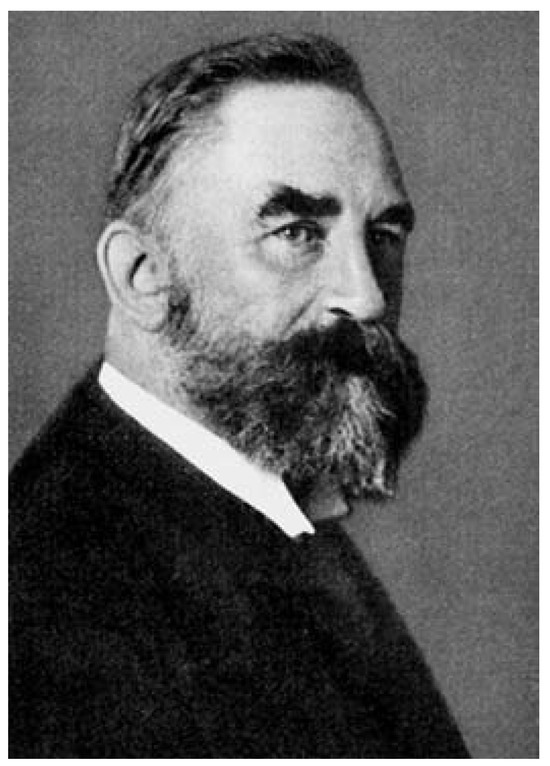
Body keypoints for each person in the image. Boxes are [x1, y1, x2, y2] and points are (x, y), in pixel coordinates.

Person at [9, 33, 469, 757]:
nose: (368, 297)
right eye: (296, 231)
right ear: (141, 275)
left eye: (383, 234)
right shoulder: (50, 597)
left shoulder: (275, 506)